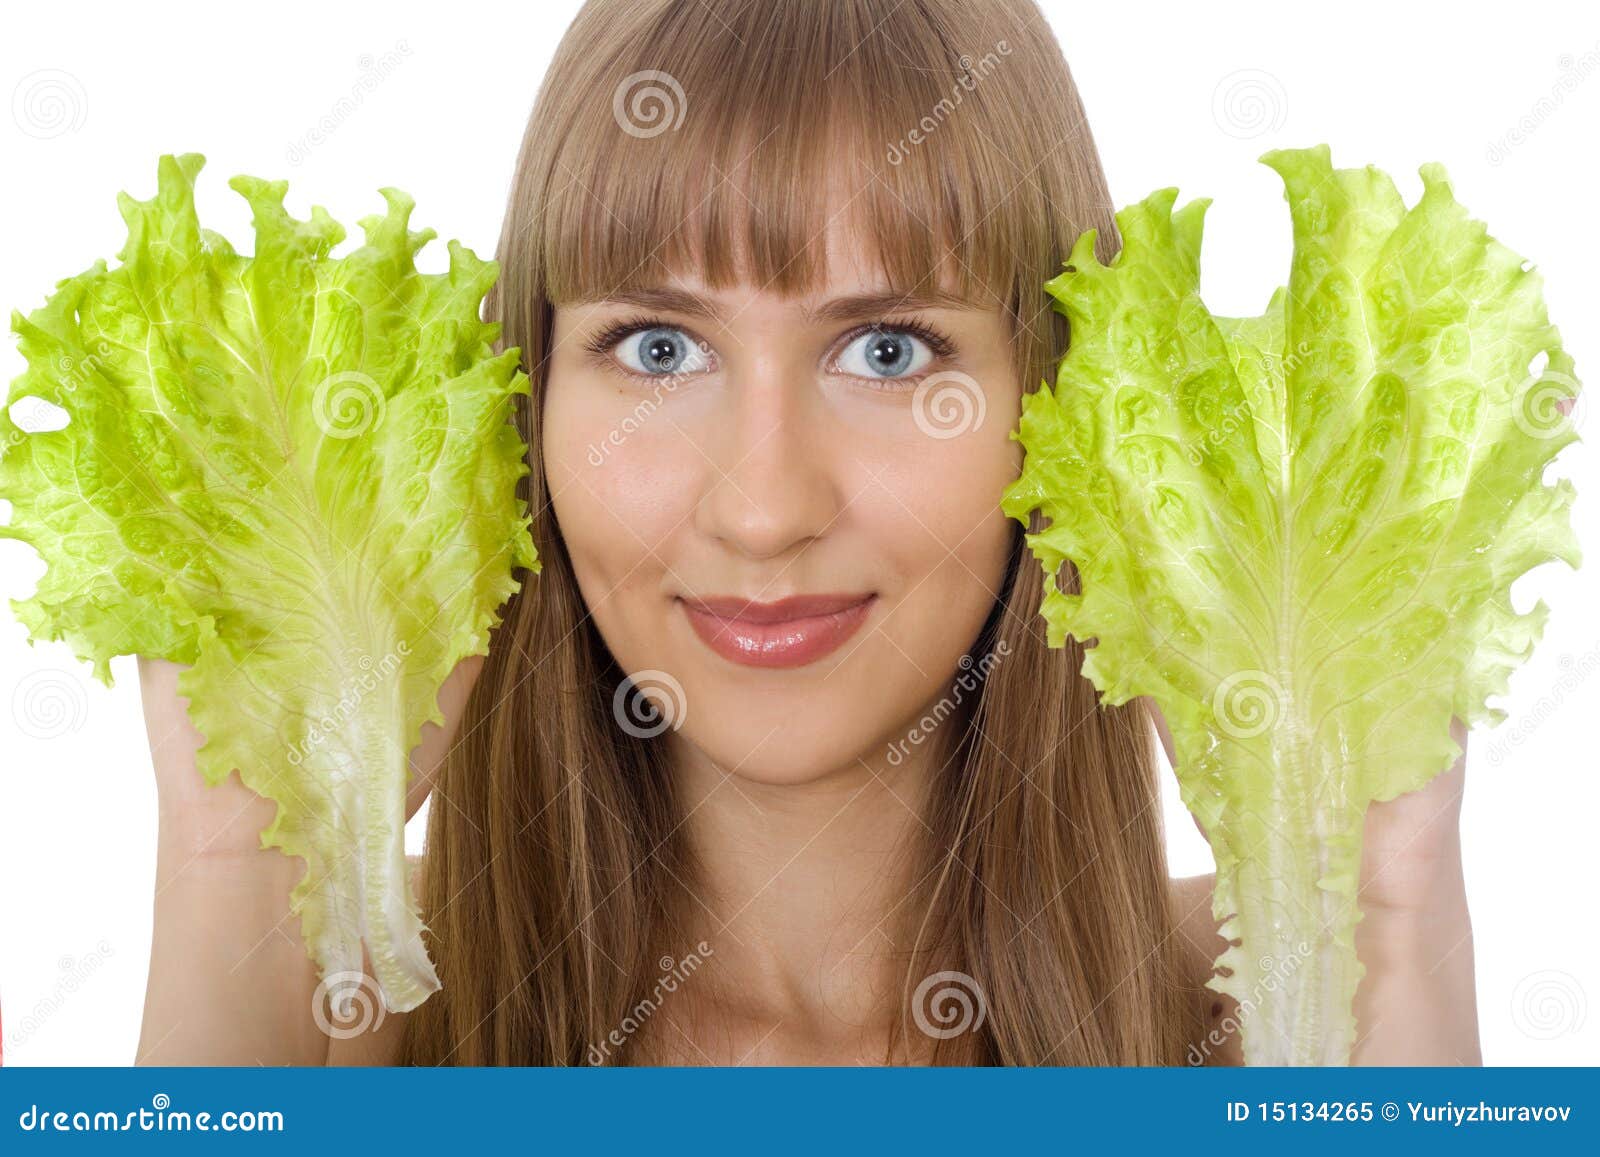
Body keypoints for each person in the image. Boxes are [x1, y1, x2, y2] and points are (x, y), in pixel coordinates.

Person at [136, 0, 1478, 1066]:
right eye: (658, 347)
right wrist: (237, 869)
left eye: (888, 349)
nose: (765, 508)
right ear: (519, 418)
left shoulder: (1265, 1035)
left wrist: (1376, 921)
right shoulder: (337, 1023)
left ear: (1069, 411)